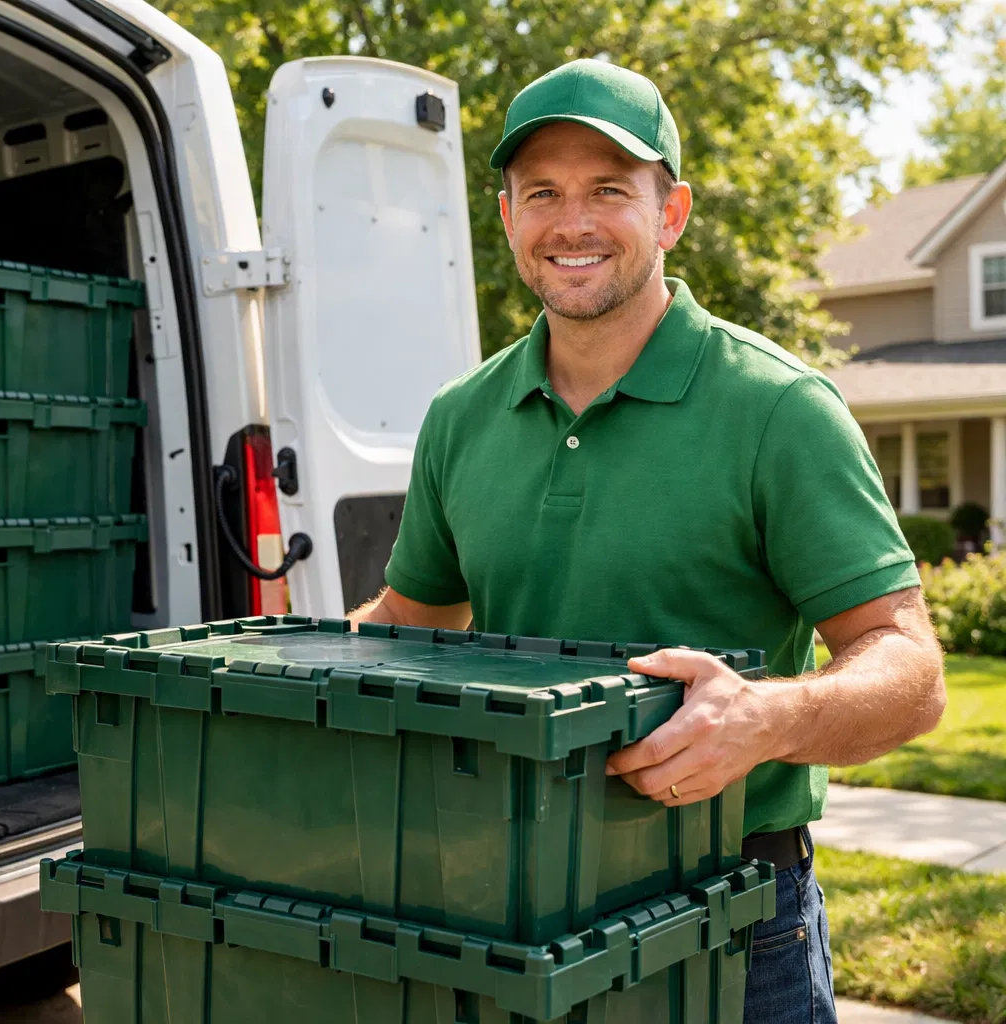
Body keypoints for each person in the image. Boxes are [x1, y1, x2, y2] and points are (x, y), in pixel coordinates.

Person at [350, 59, 946, 1023]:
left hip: (730, 920)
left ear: (670, 215)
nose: (571, 221)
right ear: (506, 219)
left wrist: (766, 719)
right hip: (505, 908)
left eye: (609, 191)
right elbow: (408, 620)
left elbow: (911, 674)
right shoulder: (461, 417)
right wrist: (274, 666)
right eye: (542, 192)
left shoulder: (778, 410)